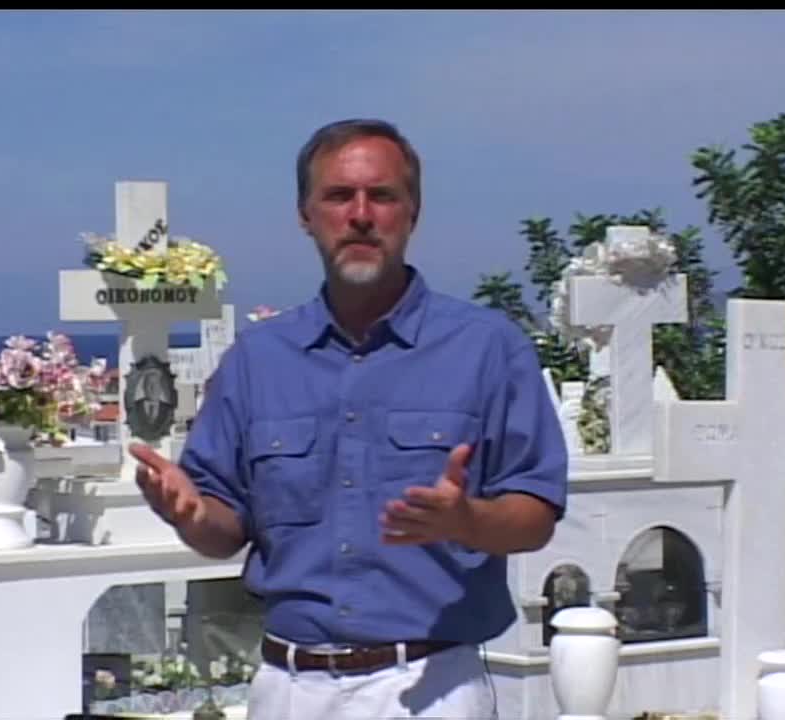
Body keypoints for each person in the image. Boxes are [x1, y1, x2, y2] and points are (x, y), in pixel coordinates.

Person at [130, 118, 568, 719]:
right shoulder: (258, 361)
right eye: (338, 196)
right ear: (305, 215)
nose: (360, 214)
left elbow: (535, 515)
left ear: (412, 212)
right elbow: (224, 529)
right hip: (288, 688)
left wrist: (466, 519)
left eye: (382, 196)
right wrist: (189, 513)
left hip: (428, 687)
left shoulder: (487, 349)